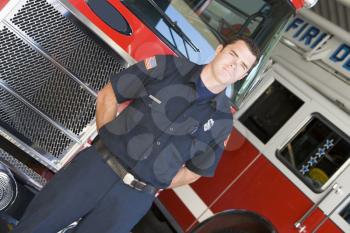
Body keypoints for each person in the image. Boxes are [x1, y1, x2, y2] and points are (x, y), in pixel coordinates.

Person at [12, 35, 259, 233]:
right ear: (218, 50)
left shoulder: (223, 122)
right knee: (36, 226)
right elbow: (110, 94)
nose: (234, 65)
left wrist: (152, 178)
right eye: (232, 55)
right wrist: (108, 140)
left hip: (132, 201)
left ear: (244, 75)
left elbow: (194, 172)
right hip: (96, 169)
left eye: (243, 66)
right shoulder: (167, 66)